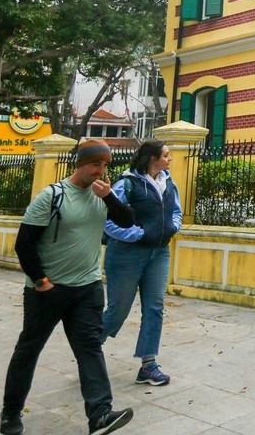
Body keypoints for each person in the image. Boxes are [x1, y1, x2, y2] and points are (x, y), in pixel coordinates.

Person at [0, 138, 136, 435]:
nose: (100, 170)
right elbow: (24, 244)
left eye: (105, 164)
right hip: (48, 291)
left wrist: (110, 196)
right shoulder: (52, 196)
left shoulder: (102, 195)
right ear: (80, 164)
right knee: (29, 350)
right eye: (95, 164)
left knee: (89, 348)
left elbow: (127, 221)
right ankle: (10, 413)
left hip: (87, 287)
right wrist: (41, 282)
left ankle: (100, 415)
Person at [102, 140, 182, 387]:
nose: (170, 159)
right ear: (152, 158)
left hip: (159, 253)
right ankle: (89, 349)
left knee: (155, 308)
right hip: (127, 255)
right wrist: (137, 234)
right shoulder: (126, 184)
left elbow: (176, 211)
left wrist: (173, 227)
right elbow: (107, 220)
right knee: (118, 310)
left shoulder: (169, 183)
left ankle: (148, 365)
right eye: (166, 155)